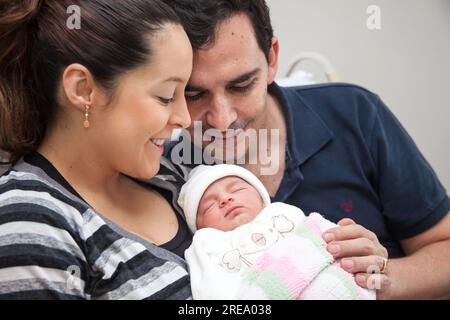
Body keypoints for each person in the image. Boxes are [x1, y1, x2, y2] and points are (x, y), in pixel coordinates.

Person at [164, 0, 450, 299]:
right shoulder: (161, 175)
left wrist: (379, 280)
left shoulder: (353, 113)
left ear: (272, 59)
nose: (222, 120)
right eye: (193, 95)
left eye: (242, 85)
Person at [0, 0, 193, 299]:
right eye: (166, 96)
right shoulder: (30, 219)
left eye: (186, 93)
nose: (185, 118)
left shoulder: (168, 177)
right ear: (83, 89)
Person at [178, 164, 376, 300]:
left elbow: (323, 238)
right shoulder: (208, 244)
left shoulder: (282, 214)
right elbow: (210, 289)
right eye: (208, 205)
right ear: (199, 226)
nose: (225, 199)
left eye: (236, 189)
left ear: (261, 196)